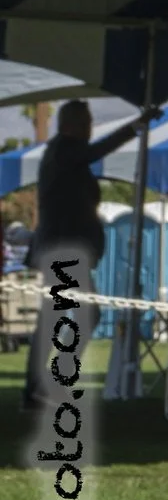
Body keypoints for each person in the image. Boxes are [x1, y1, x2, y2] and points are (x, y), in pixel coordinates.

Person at [22, 100, 144, 409]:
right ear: (72, 125)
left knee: (58, 318)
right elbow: (96, 151)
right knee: (79, 316)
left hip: (62, 249)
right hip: (63, 249)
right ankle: (44, 384)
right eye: (86, 123)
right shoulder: (65, 150)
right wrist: (135, 127)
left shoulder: (62, 155)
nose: (90, 129)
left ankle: (40, 386)